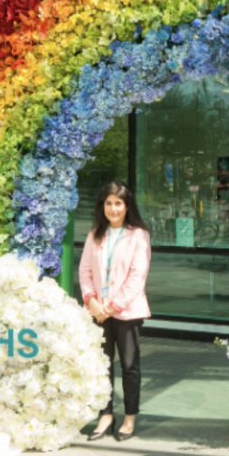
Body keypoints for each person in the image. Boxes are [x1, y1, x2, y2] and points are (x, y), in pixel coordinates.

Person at [79, 181, 151, 442]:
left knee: (129, 366)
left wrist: (111, 307)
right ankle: (106, 415)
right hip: (98, 311)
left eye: (118, 203)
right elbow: (85, 271)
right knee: (102, 365)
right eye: (108, 203)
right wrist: (92, 301)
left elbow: (137, 277)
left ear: (127, 206)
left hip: (126, 312)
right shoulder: (95, 234)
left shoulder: (138, 236)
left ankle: (129, 417)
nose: (113, 209)